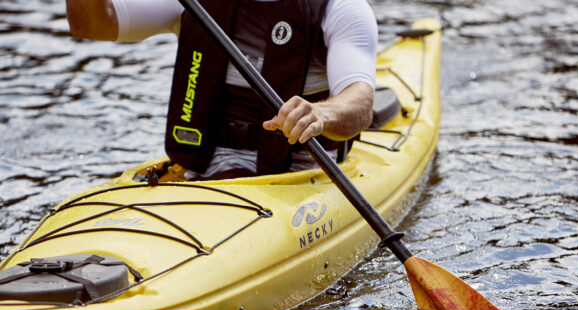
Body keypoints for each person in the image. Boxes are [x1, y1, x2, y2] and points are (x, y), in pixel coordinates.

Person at [66, 0, 377, 179]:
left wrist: (321, 113)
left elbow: (360, 103)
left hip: (296, 175)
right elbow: (93, 25)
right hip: (201, 171)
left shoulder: (340, 9)